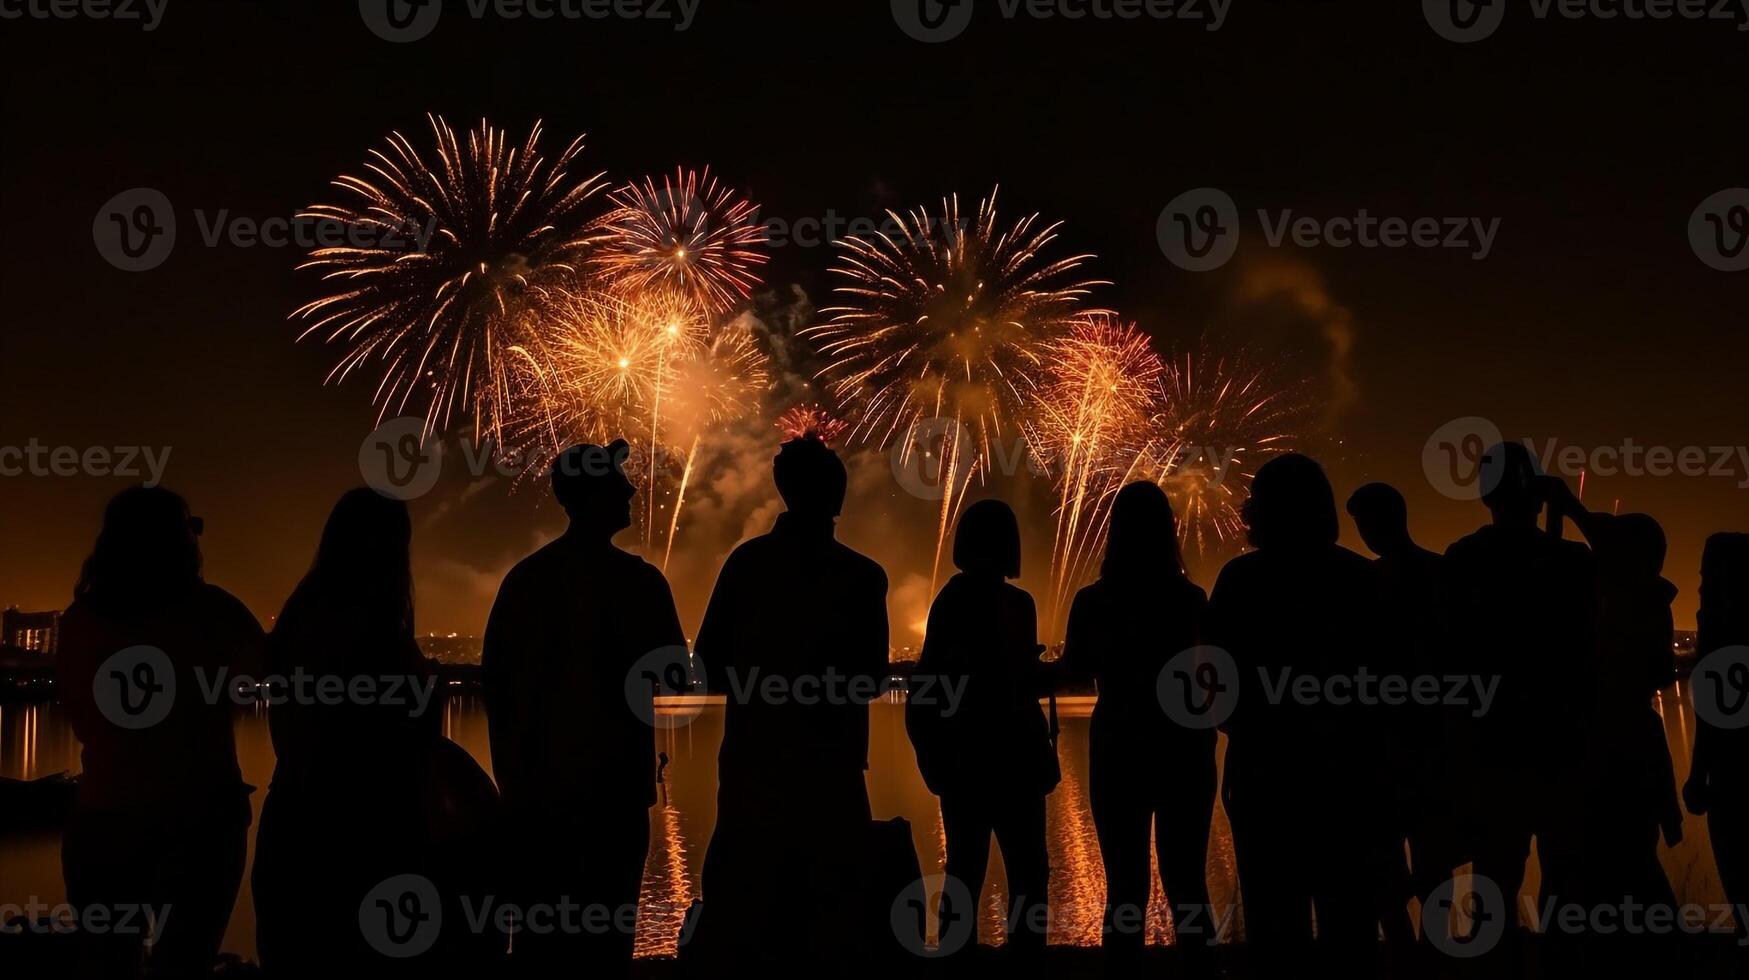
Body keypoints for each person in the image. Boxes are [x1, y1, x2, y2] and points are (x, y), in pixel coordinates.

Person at [482, 441, 687, 977]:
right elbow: (675, 675)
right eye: (618, 481)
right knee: (606, 945)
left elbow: (498, 690)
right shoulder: (640, 582)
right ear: (594, 494)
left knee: (540, 944)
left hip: (535, 798)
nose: (632, 488)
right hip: (612, 798)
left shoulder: (524, 581)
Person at [693, 434, 891, 965]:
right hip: (833, 768)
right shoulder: (863, 576)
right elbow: (871, 678)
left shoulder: (746, 565)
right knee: (833, 914)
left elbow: (708, 665)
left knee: (748, 911)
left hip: (753, 765)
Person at [55, 486, 265, 978]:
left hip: (104, 817)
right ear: (183, 542)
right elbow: (266, 682)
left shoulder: (79, 622)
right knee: (184, 968)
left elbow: (79, 708)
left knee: (107, 966)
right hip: (200, 818)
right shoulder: (214, 612)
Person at [252, 489, 447, 976]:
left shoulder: (300, 616)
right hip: (363, 832)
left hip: (295, 823)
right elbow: (400, 738)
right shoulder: (377, 631)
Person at [1206, 454, 1384, 977]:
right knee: (1349, 923)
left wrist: (1243, 728)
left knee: (1273, 923)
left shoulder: (1239, 580)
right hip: (1345, 774)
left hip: (1265, 773)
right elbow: (1382, 679)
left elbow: (1212, 680)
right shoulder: (1357, 577)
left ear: (1258, 511)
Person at [1441, 444, 1598, 960]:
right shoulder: (1570, 561)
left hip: (1491, 742)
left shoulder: (1464, 558)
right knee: (1566, 873)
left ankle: (1497, 964)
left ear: (1486, 494)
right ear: (1536, 495)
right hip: (1562, 738)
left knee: (1494, 875)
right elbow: (1624, 567)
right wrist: (1570, 509)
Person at [1058, 482, 1215, 972]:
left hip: (1118, 745)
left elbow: (1076, 671)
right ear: (1168, 531)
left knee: (1124, 883)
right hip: (1183, 746)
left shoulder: (1093, 601)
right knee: (1188, 878)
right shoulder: (1191, 599)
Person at [907, 499, 1057, 954]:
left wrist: (932, 759)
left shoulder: (951, 600)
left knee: (965, 871)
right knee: (1028, 872)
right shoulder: (1019, 604)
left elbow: (928, 686)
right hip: (1015, 760)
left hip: (966, 760)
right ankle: (1027, 963)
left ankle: (959, 964)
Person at [1345, 483, 1459, 953]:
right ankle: (1432, 949)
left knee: (1388, 858)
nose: (1365, 534)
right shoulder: (1441, 573)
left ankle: (1407, 949)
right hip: (1428, 737)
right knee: (1430, 857)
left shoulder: (1364, 584)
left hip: (1387, 741)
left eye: (1366, 524)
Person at [1685, 533, 1749, 942]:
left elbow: (1715, 715)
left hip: (1731, 779)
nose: (1700, 585)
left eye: (1705, 575)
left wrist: (1697, 774)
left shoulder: (1720, 629)